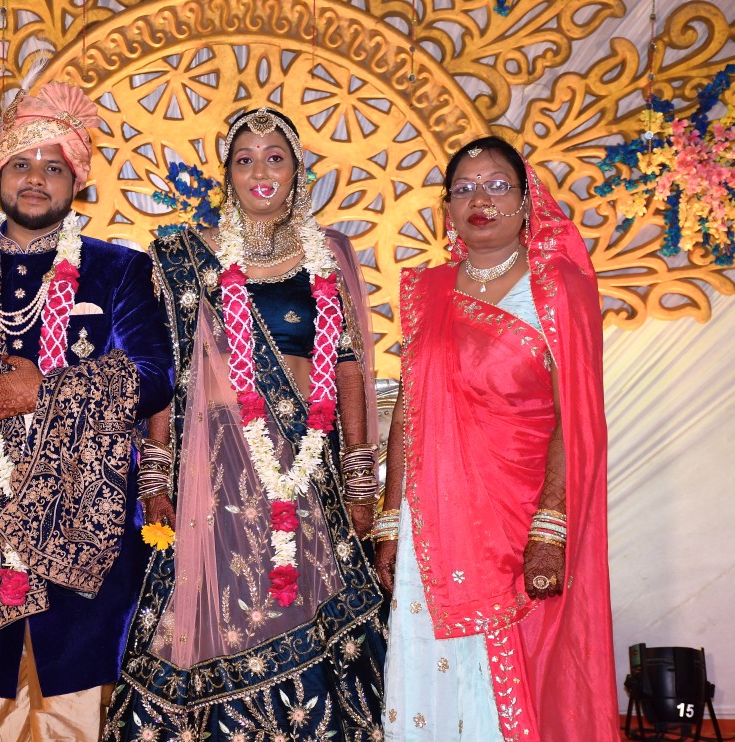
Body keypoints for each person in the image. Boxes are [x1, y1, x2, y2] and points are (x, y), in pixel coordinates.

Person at [0, 81, 173, 741]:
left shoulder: (117, 272)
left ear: (77, 181)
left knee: (80, 698)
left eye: (53, 166)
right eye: (21, 163)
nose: (35, 179)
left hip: (87, 529)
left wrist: (46, 392)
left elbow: (156, 379)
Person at [106, 107, 387, 740]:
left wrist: (360, 482)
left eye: (275, 157)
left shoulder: (328, 254)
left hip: (303, 471)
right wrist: (155, 476)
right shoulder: (182, 257)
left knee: (305, 606)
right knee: (214, 616)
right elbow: (166, 373)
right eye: (245, 159)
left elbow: (347, 368)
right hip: (213, 475)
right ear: (227, 174)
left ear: (297, 171)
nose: (260, 171)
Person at [376, 135, 618, 741]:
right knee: (432, 667)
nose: (479, 200)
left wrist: (551, 525)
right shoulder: (429, 290)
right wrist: (390, 519)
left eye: (496, 186)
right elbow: (409, 408)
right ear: (447, 208)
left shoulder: (557, 287)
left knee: (519, 665)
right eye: (463, 189)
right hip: (430, 519)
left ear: (526, 200)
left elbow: (575, 416)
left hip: (521, 518)